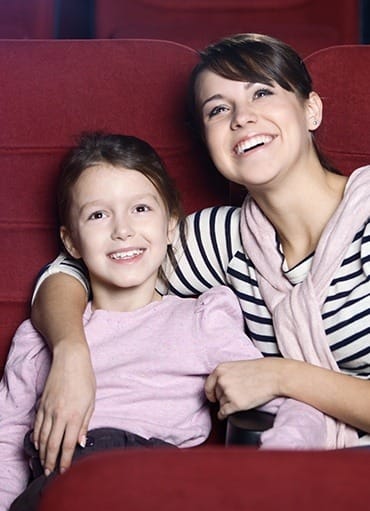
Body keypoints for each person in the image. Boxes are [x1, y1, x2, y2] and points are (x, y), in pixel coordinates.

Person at [30, 32, 370, 472]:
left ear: (311, 110)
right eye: (218, 109)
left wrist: (284, 375)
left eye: (262, 93)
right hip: (297, 472)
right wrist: (70, 352)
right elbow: (74, 268)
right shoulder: (222, 239)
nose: (242, 118)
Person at [0, 132, 325, 511]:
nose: (122, 230)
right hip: (59, 488)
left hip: (155, 478)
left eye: (140, 209)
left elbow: (286, 399)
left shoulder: (200, 320)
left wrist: (275, 465)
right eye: (98, 215)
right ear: (71, 242)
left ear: (171, 227)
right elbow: (6, 439)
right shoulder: (40, 337)